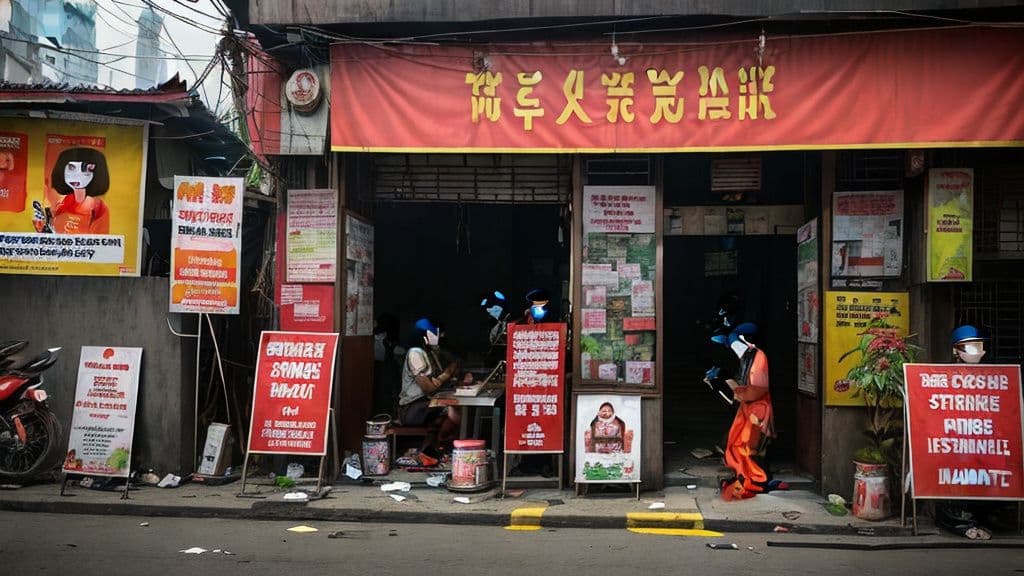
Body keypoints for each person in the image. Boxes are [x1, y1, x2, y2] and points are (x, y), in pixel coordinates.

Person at [935, 325, 993, 539]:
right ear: (956, 351)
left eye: (978, 346)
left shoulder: (992, 377)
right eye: (969, 347)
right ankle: (960, 522)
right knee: (956, 483)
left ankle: (979, 520)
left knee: (982, 481)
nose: (975, 351)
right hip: (955, 441)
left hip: (982, 441)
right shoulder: (945, 376)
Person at [720, 322, 776, 501]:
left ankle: (756, 480)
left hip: (756, 410)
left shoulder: (758, 358)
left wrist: (737, 391)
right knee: (737, 444)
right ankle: (744, 477)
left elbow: (758, 388)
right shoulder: (749, 356)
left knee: (747, 446)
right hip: (747, 408)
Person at [397, 317, 464, 463]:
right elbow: (428, 387)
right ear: (424, 335)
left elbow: (436, 379)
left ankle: (434, 449)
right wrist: (446, 374)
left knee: (454, 408)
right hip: (412, 408)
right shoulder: (415, 353)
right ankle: (440, 445)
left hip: (424, 404)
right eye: (434, 333)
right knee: (452, 410)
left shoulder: (428, 352)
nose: (438, 336)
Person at [33, 147, 111, 234]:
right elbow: (54, 234)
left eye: (86, 169)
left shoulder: (99, 209)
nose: (77, 176)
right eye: (71, 167)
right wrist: (43, 229)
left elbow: (101, 242)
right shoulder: (62, 203)